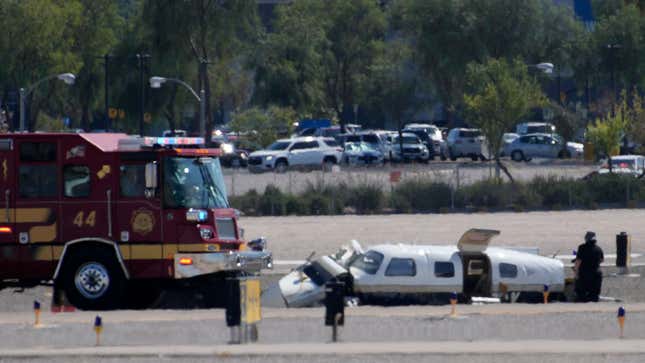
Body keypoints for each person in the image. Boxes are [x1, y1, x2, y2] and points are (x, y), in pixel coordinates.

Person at [574, 231, 604, 302]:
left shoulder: (582, 248)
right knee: (594, 296)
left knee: (581, 295)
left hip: (584, 274)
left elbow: (578, 261)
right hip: (596, 275)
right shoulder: (598, 249)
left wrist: (576, 272)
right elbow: (602, 260)